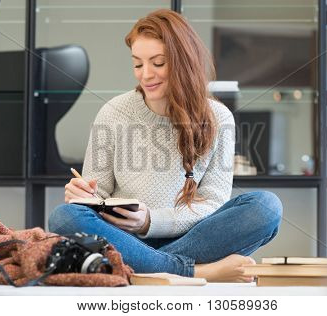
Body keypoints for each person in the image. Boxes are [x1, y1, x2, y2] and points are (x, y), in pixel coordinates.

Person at [49, 9, 282, 282]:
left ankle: (145, 270)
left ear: (183, 62)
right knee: (64, 217)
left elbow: (212, 204)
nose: (146, 75)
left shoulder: (219, 118)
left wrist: (151, 221)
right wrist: (83, 194)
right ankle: (193, 272)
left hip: (194, 239)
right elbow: (96, 196)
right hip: (125, 239)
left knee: (266, 207)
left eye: (158, 63)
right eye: (138, 64)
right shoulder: (113, 112)